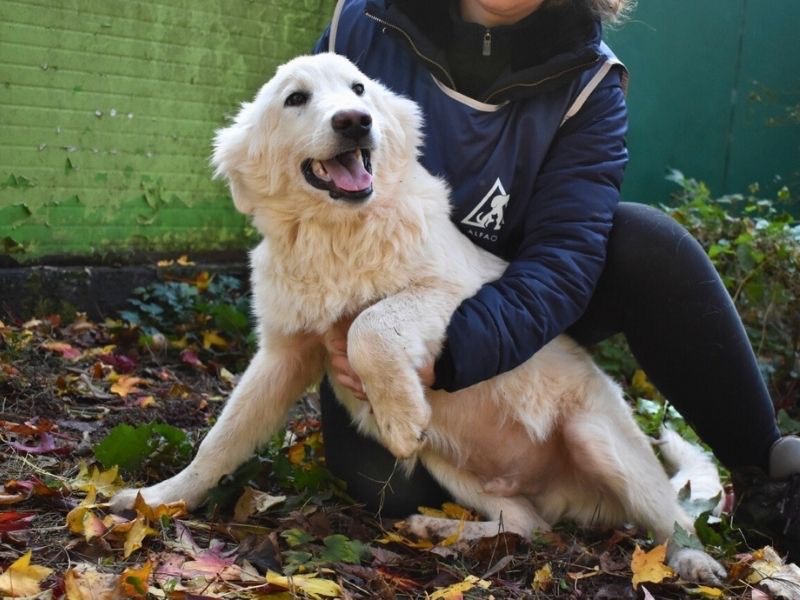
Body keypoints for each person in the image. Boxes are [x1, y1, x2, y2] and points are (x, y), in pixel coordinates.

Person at [311, 0, 800, 557]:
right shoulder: (361, 24)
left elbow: (562, 263)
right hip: (378, 315)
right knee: (386, 495)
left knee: (648, 244)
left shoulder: (589, 81)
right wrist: (334, 319)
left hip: (512, 324)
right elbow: (292, 177)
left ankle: (770, 475)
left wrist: (442, 354)